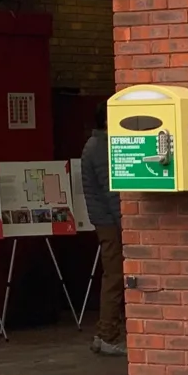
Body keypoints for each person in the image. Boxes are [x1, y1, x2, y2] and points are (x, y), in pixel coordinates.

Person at [81, 103, 126, 356]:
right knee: (115, 276)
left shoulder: (93, 144)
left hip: (102, 219)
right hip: (109, 221)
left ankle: (102, 333)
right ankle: (108, 334)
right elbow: (112, 191)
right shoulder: (103, 147)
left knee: (112, 275)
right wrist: (125, 225)